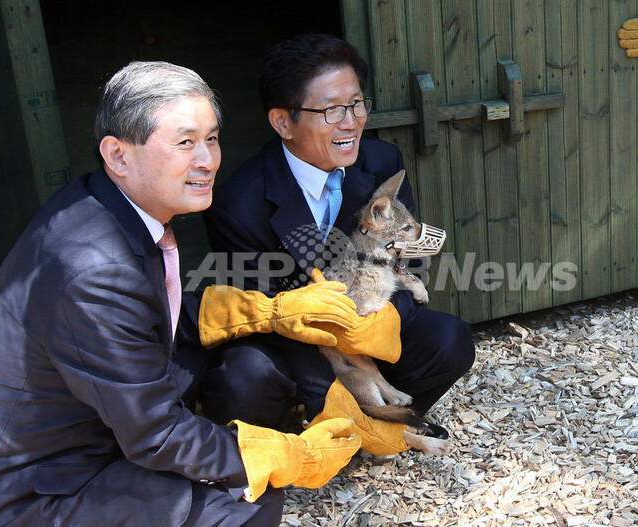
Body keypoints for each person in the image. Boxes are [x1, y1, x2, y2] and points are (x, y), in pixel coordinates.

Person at [0, 61, 364, 526]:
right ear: (118, 155)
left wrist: (267, 311)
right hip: (34, 483)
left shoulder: (103, 203)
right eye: (184, 142)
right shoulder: (96, 272)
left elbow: (149, 318)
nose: (207, 160)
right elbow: (154, 433)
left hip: (88, 436)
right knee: (244, 510)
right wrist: (292, 453)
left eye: (212, 138)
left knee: (252, 485)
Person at [200, 34, 476, 451]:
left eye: (356, 103)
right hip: (294, 340)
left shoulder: (382, 161)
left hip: (365, 321)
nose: (350, 121)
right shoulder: (238, 203)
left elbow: (408, 258)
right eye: (330, 110)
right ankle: (315, 430)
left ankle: (378, 423)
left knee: (449, 340)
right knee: (242, 378)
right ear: (283, 122)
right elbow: (268, 317)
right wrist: (333, 389)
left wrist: (382, 321)